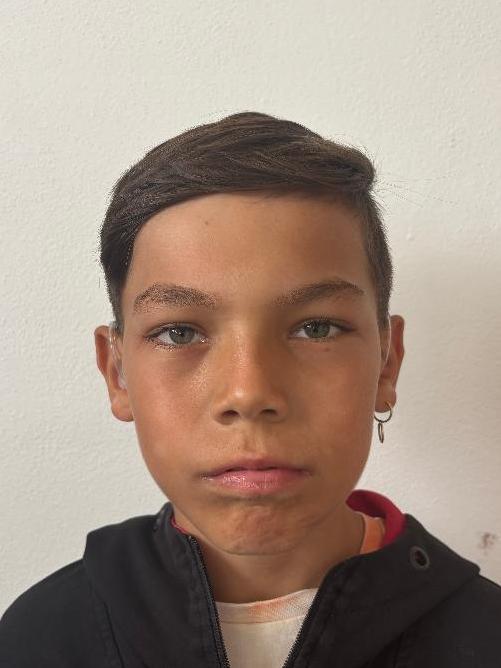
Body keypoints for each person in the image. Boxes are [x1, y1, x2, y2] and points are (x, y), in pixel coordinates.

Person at [1, 112, 500, 667]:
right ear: (117, 373)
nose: (248, 392)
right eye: (179, 332)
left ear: (387, 363)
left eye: (317, 328)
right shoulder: (39, 639)